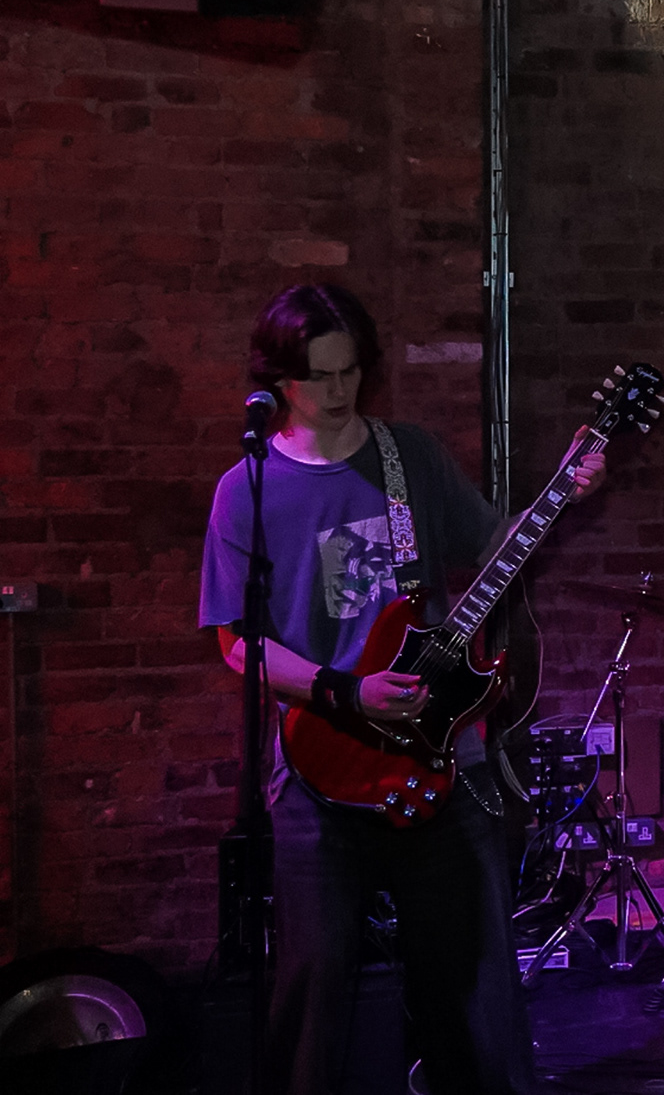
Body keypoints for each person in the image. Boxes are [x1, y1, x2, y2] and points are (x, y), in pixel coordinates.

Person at [199, 284, 607, 1095]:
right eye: (318, 376)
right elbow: (238, 643)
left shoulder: (407, 456)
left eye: (351, 370)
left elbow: (494, 545)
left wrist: (563, 489)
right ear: (278, 378)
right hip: (318, 765)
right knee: (312, 993)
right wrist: (346, 693)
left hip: (440, 755)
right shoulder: (246, 489)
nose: (338, 390)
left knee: (477, 986)